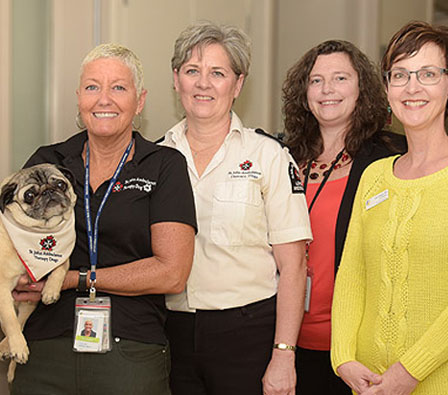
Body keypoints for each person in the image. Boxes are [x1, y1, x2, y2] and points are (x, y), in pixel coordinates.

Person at [330, 21, 448, 394]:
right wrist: (343, 357)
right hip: (370, 384)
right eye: (400, 75)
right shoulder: (375, 176)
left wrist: (410, 370)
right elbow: (353, 273)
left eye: (428, 74)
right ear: (386, 88)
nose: (412, 88)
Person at [10, 43, 197, 394]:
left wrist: (72, 279)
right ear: (79, 97)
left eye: (119, 88)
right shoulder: (48, 162)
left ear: (139, 101)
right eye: (93, 87)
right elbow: (13, 240)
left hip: (131, 350)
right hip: (44, 346)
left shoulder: (164, 165)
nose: (104, 99)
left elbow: (172, 272)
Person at [160, 21, 312, 395]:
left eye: (218, 73)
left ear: (238, 84)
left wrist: (283, 355)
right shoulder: (155, 158)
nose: (203, 84)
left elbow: (293, 266)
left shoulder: (270, 157)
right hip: (169, 334)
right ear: (176, 79)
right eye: (192, 71)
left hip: (246, 335)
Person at [281, 39, 406, 394]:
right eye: (316, 80)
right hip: (287, 342)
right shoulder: (284, 158)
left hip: (358, 349)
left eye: (340, 78)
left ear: (361, 88)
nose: (327, 90)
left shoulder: (390, 158)